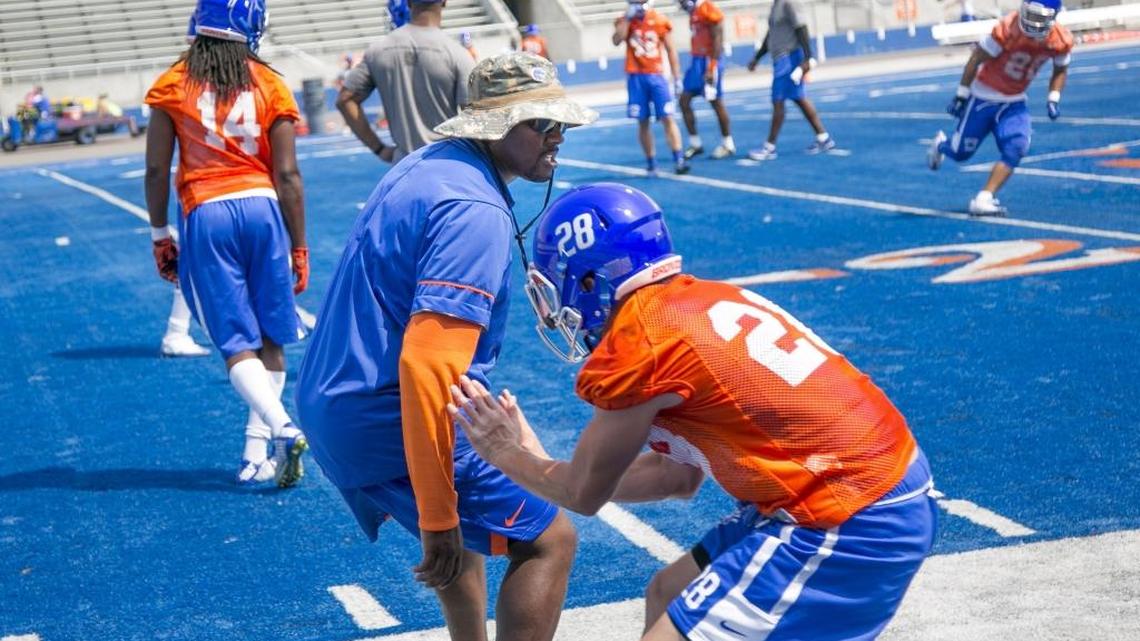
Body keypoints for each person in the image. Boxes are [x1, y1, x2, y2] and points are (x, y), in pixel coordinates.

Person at [448, 182, 938, 641]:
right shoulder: (698, 300)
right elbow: (672, 477)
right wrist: (542, 463)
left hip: (845, 514)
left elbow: (583, 493)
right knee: (669, 591)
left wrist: (504, 451)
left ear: (591, 278)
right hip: (871, 490)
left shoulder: (644, 341)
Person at [295, 53, 597, 641]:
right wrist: (436, 516)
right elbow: (427, 367)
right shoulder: (475, 211)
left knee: (471, 527)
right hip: (384, 410)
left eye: (560, 122)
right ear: (497, 128)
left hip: (339, 397)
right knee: (549, 542)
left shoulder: (434, 163)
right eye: (541, 123)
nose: (559, 135)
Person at [144, 0, 310, 488]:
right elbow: (288, 175)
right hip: (262, 210)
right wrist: (299, 246)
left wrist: (159, 234)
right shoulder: (268, 82)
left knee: (237, 343)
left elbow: (156, 169)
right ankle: (256, 451)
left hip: (208, 213)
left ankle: (278, 429)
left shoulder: (174, 81)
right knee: (271, 337)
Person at [928, 0, 1071, 216]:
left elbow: (1060, 69)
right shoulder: (1007, 28)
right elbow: (976, 58)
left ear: (1053, 17)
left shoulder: (1060, 40)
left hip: (1014, 101)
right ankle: (940, 145)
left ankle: (984, 198)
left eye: (1038, 16)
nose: (1031, 21)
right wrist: (962, 94)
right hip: (984, 96)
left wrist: (1053, 97)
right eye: (1029, 14)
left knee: (1016, 147)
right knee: (960, 154)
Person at [336, 0, 475, 163]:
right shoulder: (457, 54)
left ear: (409, 3)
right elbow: (475, 117)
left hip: (403, 165)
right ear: (444, 2)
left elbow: (345, 100)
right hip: (446, 163)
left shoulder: (378, 50)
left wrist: (379, 148)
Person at [746, 0, 835, 160]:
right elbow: (771, 34)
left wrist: (808, 57)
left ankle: (769, 147)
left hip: (789, 58)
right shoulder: (777, 4)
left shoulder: (789, 2)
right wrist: (757, 58)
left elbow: (801, 27)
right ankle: (824, 138)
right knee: (799, 98)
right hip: (782, 57)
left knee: (778, 100)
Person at [613, 0, 689, 175]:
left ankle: (679, 159)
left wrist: (677, 76)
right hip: (636, 77)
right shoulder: (624, 19)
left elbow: (670, 49)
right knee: (643, 121)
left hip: (657, 75)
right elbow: (617, 40)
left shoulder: (660, 19)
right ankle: (651, 163)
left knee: (668, 117)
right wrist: (627, 18)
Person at [677, 0, 735, 160]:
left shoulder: (707, 8)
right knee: (684, 101)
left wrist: (712, 66)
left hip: (709, 60)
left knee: (715, 101)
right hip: (697, 61)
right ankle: (696, 144)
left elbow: (718, 36)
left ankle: (728, 143)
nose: (680, 4)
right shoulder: (694, 12)